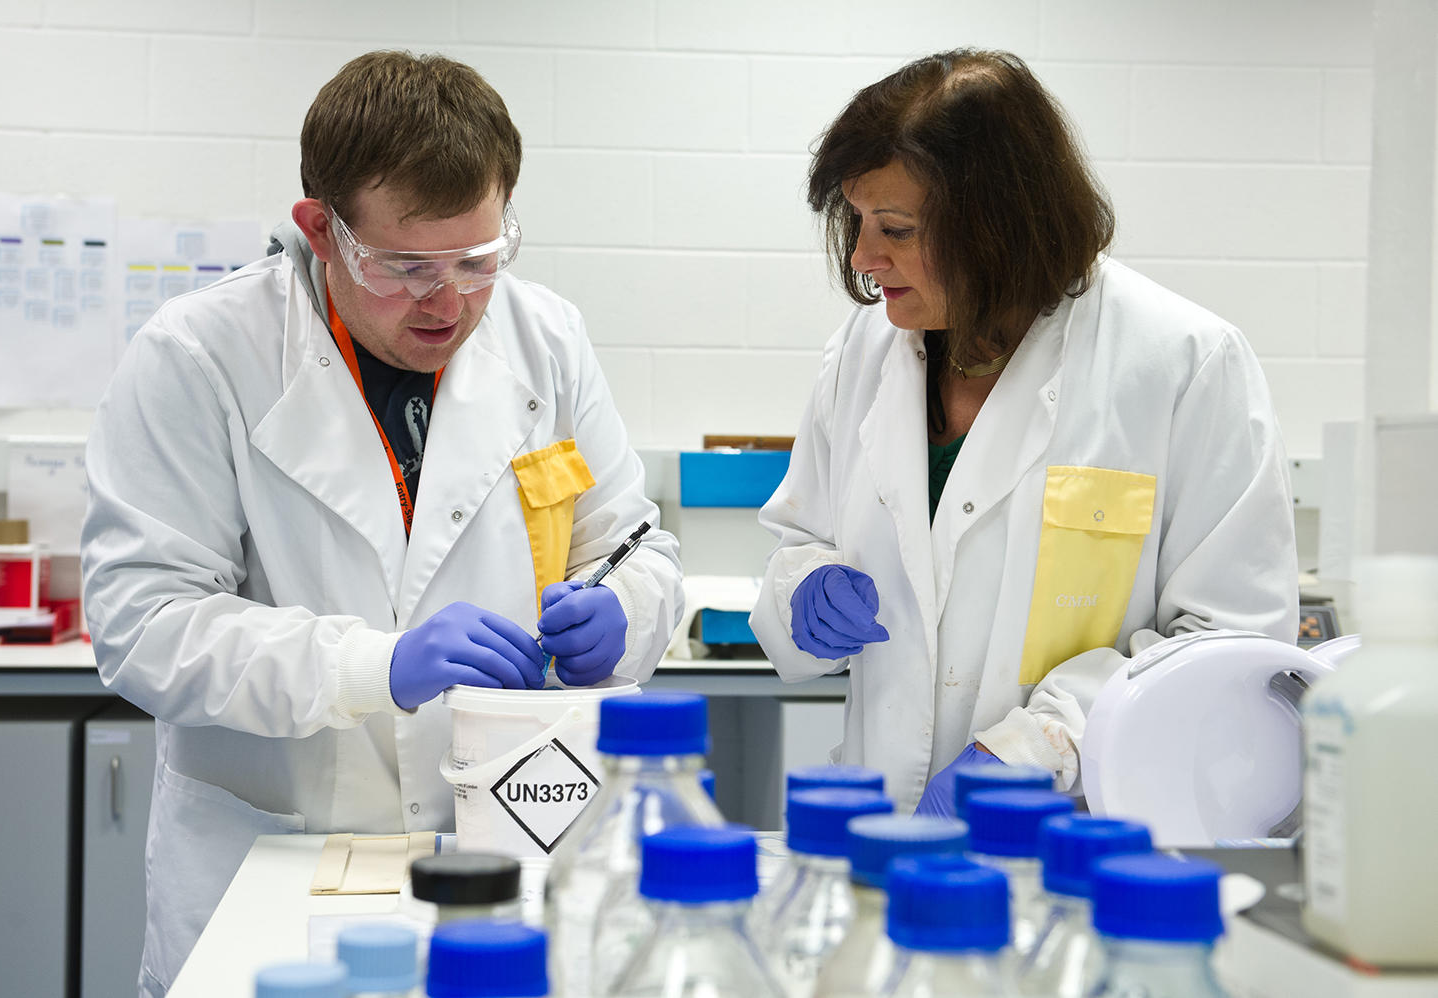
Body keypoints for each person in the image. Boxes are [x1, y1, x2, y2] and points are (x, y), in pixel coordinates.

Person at [80, 51, 683, 996]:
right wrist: (373, 666)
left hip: (501, 847)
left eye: (478, 260)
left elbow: (634, 547)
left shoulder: (547, 339)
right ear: (321, 231)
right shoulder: (200, 357)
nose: (449, 301)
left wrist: (629, 613)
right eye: (406, 267)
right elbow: (143, 627)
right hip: (272, 863)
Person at [749, 49, 1297, 817]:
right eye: (858, 221)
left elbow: (1228, 644)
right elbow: (800, 537)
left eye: (895, 229)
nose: (863, 259)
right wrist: (804, 586)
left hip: (1080, 833)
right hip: (886, 829)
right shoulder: (865, 349)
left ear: (996, 227)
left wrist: (1043, 746)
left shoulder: (1183, 364)